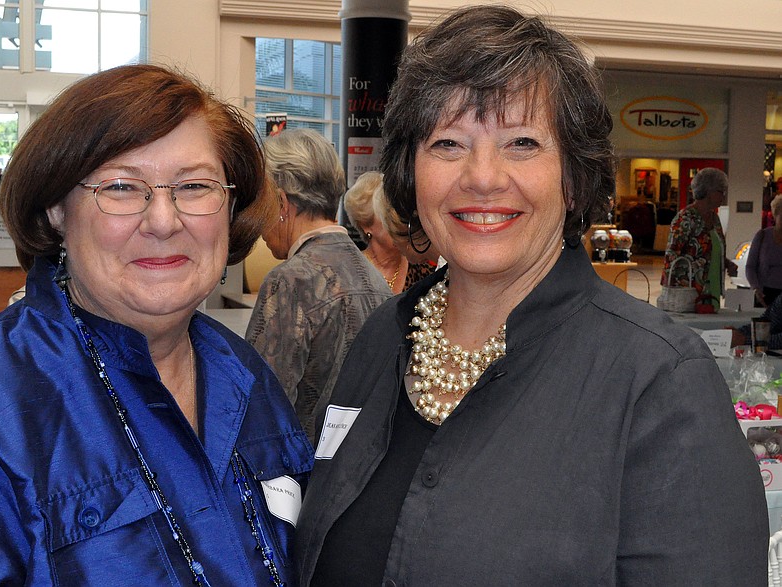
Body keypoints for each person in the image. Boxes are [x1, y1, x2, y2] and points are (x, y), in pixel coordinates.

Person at [294, 5, 767, 586]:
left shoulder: (660, 383)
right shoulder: (379, 339)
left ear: (573, 179)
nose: (483, 176)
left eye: (521, 142)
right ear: (410, 174)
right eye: (448, 143)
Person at [0, 64, 313, 586]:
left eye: (194, 185)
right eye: (121, 187)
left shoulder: (245, 374)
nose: (163, 221)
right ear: (55, 212)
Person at [245, 128, 390, 444]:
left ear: (281, 203)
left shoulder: (290, 281)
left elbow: (261, 404)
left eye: (262, 203)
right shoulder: (375, 279)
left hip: (301, 478)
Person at [661, 167, 737, 310]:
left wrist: (726, 263)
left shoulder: (715, 218)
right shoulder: (685, 218)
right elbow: (671, 257)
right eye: (721, 191)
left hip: (712, 289)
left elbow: (709, 250)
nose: (724, 196)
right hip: (688, 292)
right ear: (708, 192)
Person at [343, 170, 431, 292]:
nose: (398, 224)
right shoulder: (349, 270)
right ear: (366, 226)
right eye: (387, 218)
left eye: (401, 215)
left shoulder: (422, 266)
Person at [746, 194, 782, 307]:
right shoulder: (762, 236)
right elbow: (750, 266)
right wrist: (755, 288)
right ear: (775, 215)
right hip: (764, 294)